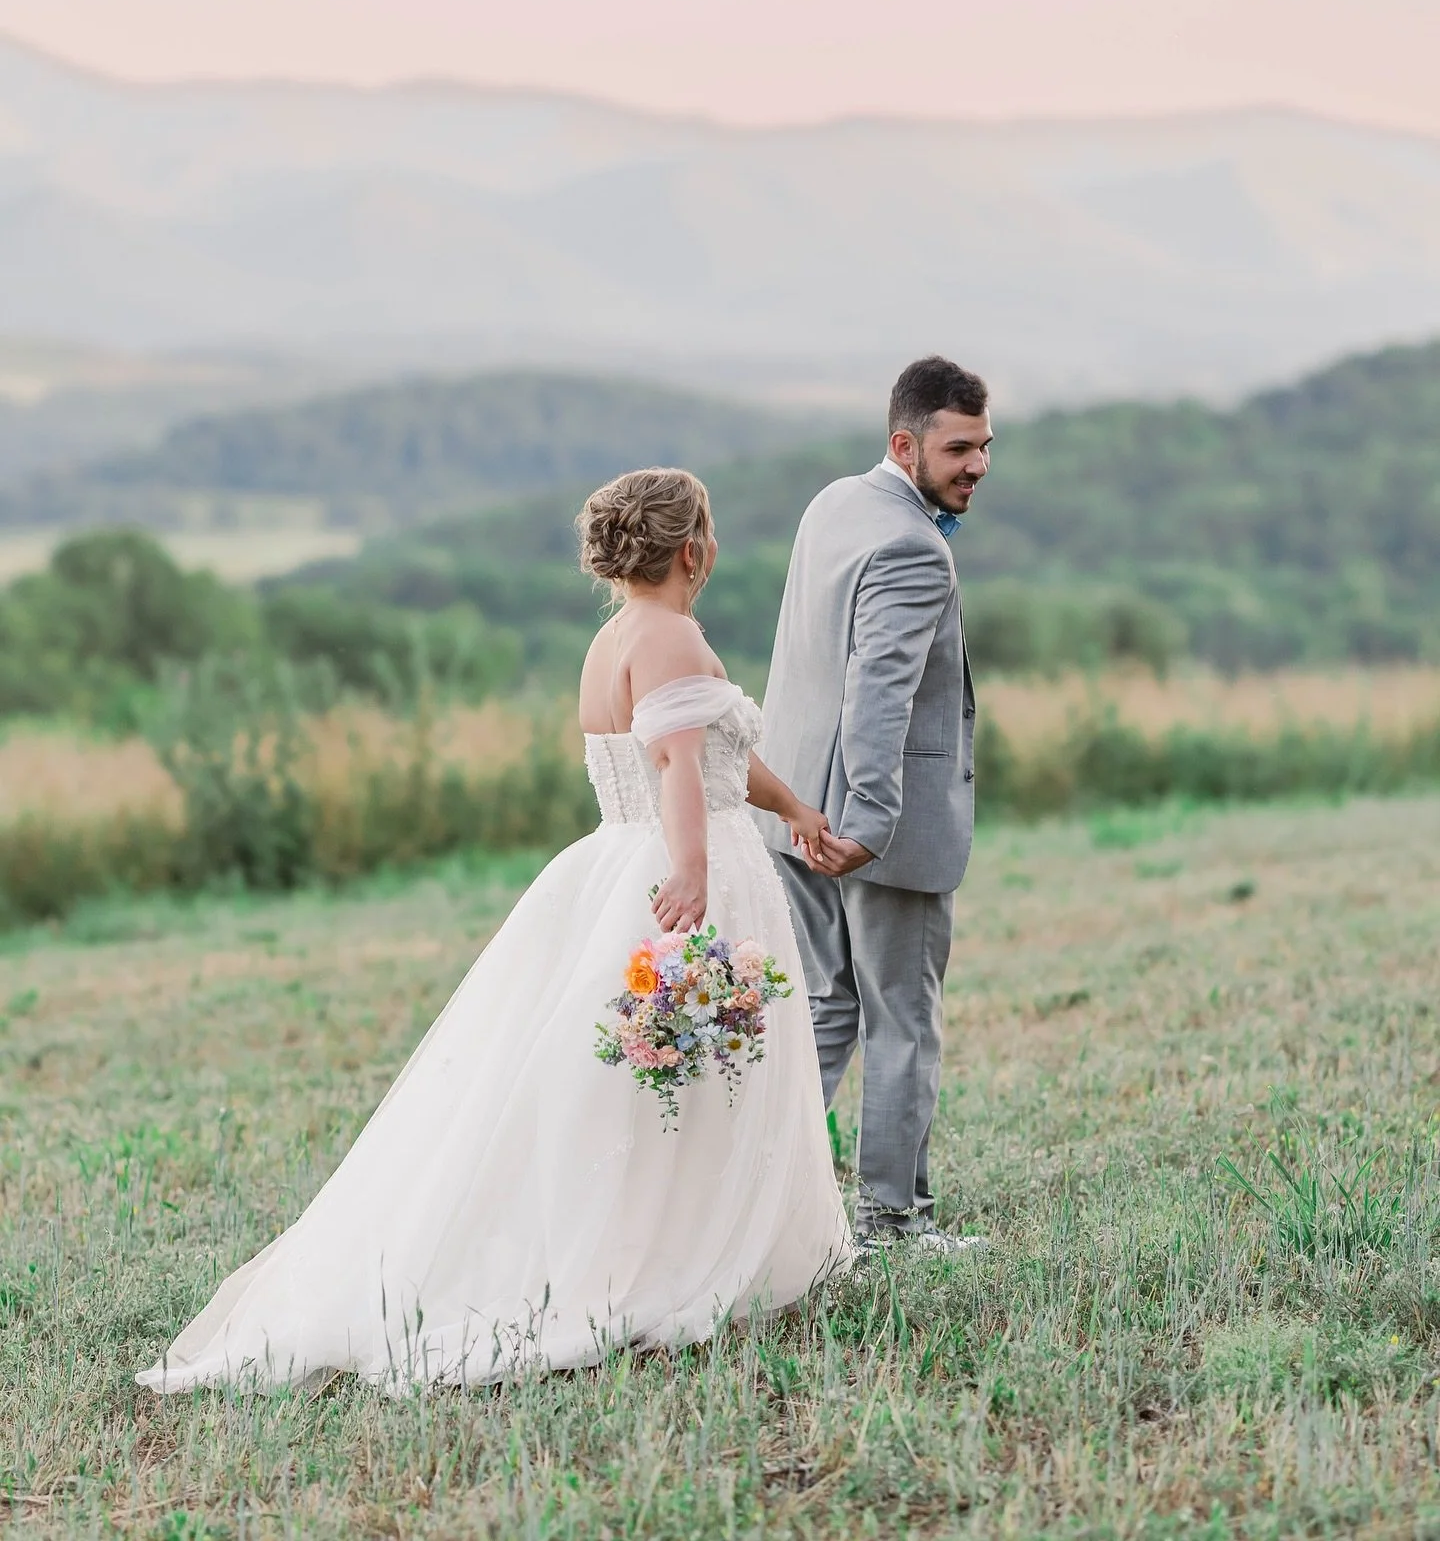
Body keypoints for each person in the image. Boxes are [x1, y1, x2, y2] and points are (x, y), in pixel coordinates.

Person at [138, 468, 850, 1394]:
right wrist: (693, 871)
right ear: (693, 548)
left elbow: (714, 749)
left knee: (657, 1074)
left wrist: (791, 805)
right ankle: (663, 1258)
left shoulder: (616, 639)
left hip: (614, 866)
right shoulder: (673, 635)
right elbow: (677, 761)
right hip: (673, 869)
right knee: (676, 1069)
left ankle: (687, 1239)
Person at [758, 356, 993, 1253]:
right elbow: (878, 694)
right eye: (958, 448)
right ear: (906, 443)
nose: (976, 466)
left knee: (824, 1008)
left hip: (791, 807)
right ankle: (892, 1225)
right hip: (865, 827)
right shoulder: (912, 546)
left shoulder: (833, 503)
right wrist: (868, 823)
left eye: (984, 447)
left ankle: (767, 1204)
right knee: (903, 1022)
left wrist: (807, 811)